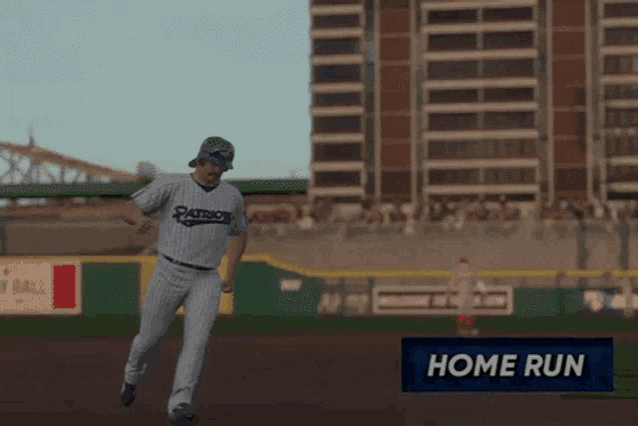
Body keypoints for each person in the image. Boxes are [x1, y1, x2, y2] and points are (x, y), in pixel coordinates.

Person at [118, 136, 248, 425]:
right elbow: (128, 208)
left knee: (196, 343)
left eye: (222, 165)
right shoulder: (171, 184)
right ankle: (131, 373)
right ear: (200, 160)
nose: (217, 170)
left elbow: (239, 232)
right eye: (213, 163)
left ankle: (179, 403)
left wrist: (230, 273)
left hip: (206, 277)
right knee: (149, 339)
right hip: (169, 271)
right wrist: (138, 221)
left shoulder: (232, 196)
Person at [447, 257, 484, 337]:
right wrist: (450, 292)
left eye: (465, 265)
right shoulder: (456, 274)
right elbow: (451, 284)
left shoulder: (471, 274)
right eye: (462, 265)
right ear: (459, 265)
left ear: (467, 265)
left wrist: (483, 291)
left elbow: (478, 282)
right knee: (461, 312)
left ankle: (469, 330)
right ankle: (461, 330)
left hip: (469, 295)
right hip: (460, 295)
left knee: (470, 313)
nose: (463, 266)